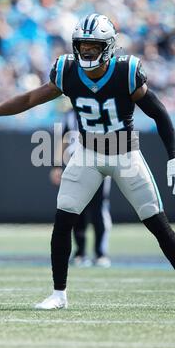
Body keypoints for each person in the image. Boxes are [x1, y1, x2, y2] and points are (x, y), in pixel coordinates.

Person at [0, 13, 175, 311]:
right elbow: (29, 99)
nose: (86, 51)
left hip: (125, 153)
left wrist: (173, 159)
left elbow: (159, 112)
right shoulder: (67, 70)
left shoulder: (126, 71)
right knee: (63, 220)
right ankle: (58, 294)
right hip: (87, 153)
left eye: (93, 45)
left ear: (108, 46)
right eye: (82, 45)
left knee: (157, 223)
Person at [50, 107, 112, 267]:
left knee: (99, 209)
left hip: (100, 162)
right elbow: (62, 139)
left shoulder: (102, 109)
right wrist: (56, 166)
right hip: (76, 162)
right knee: (76, 209)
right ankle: (80, 253)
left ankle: (100, 253)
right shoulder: (70, 115)